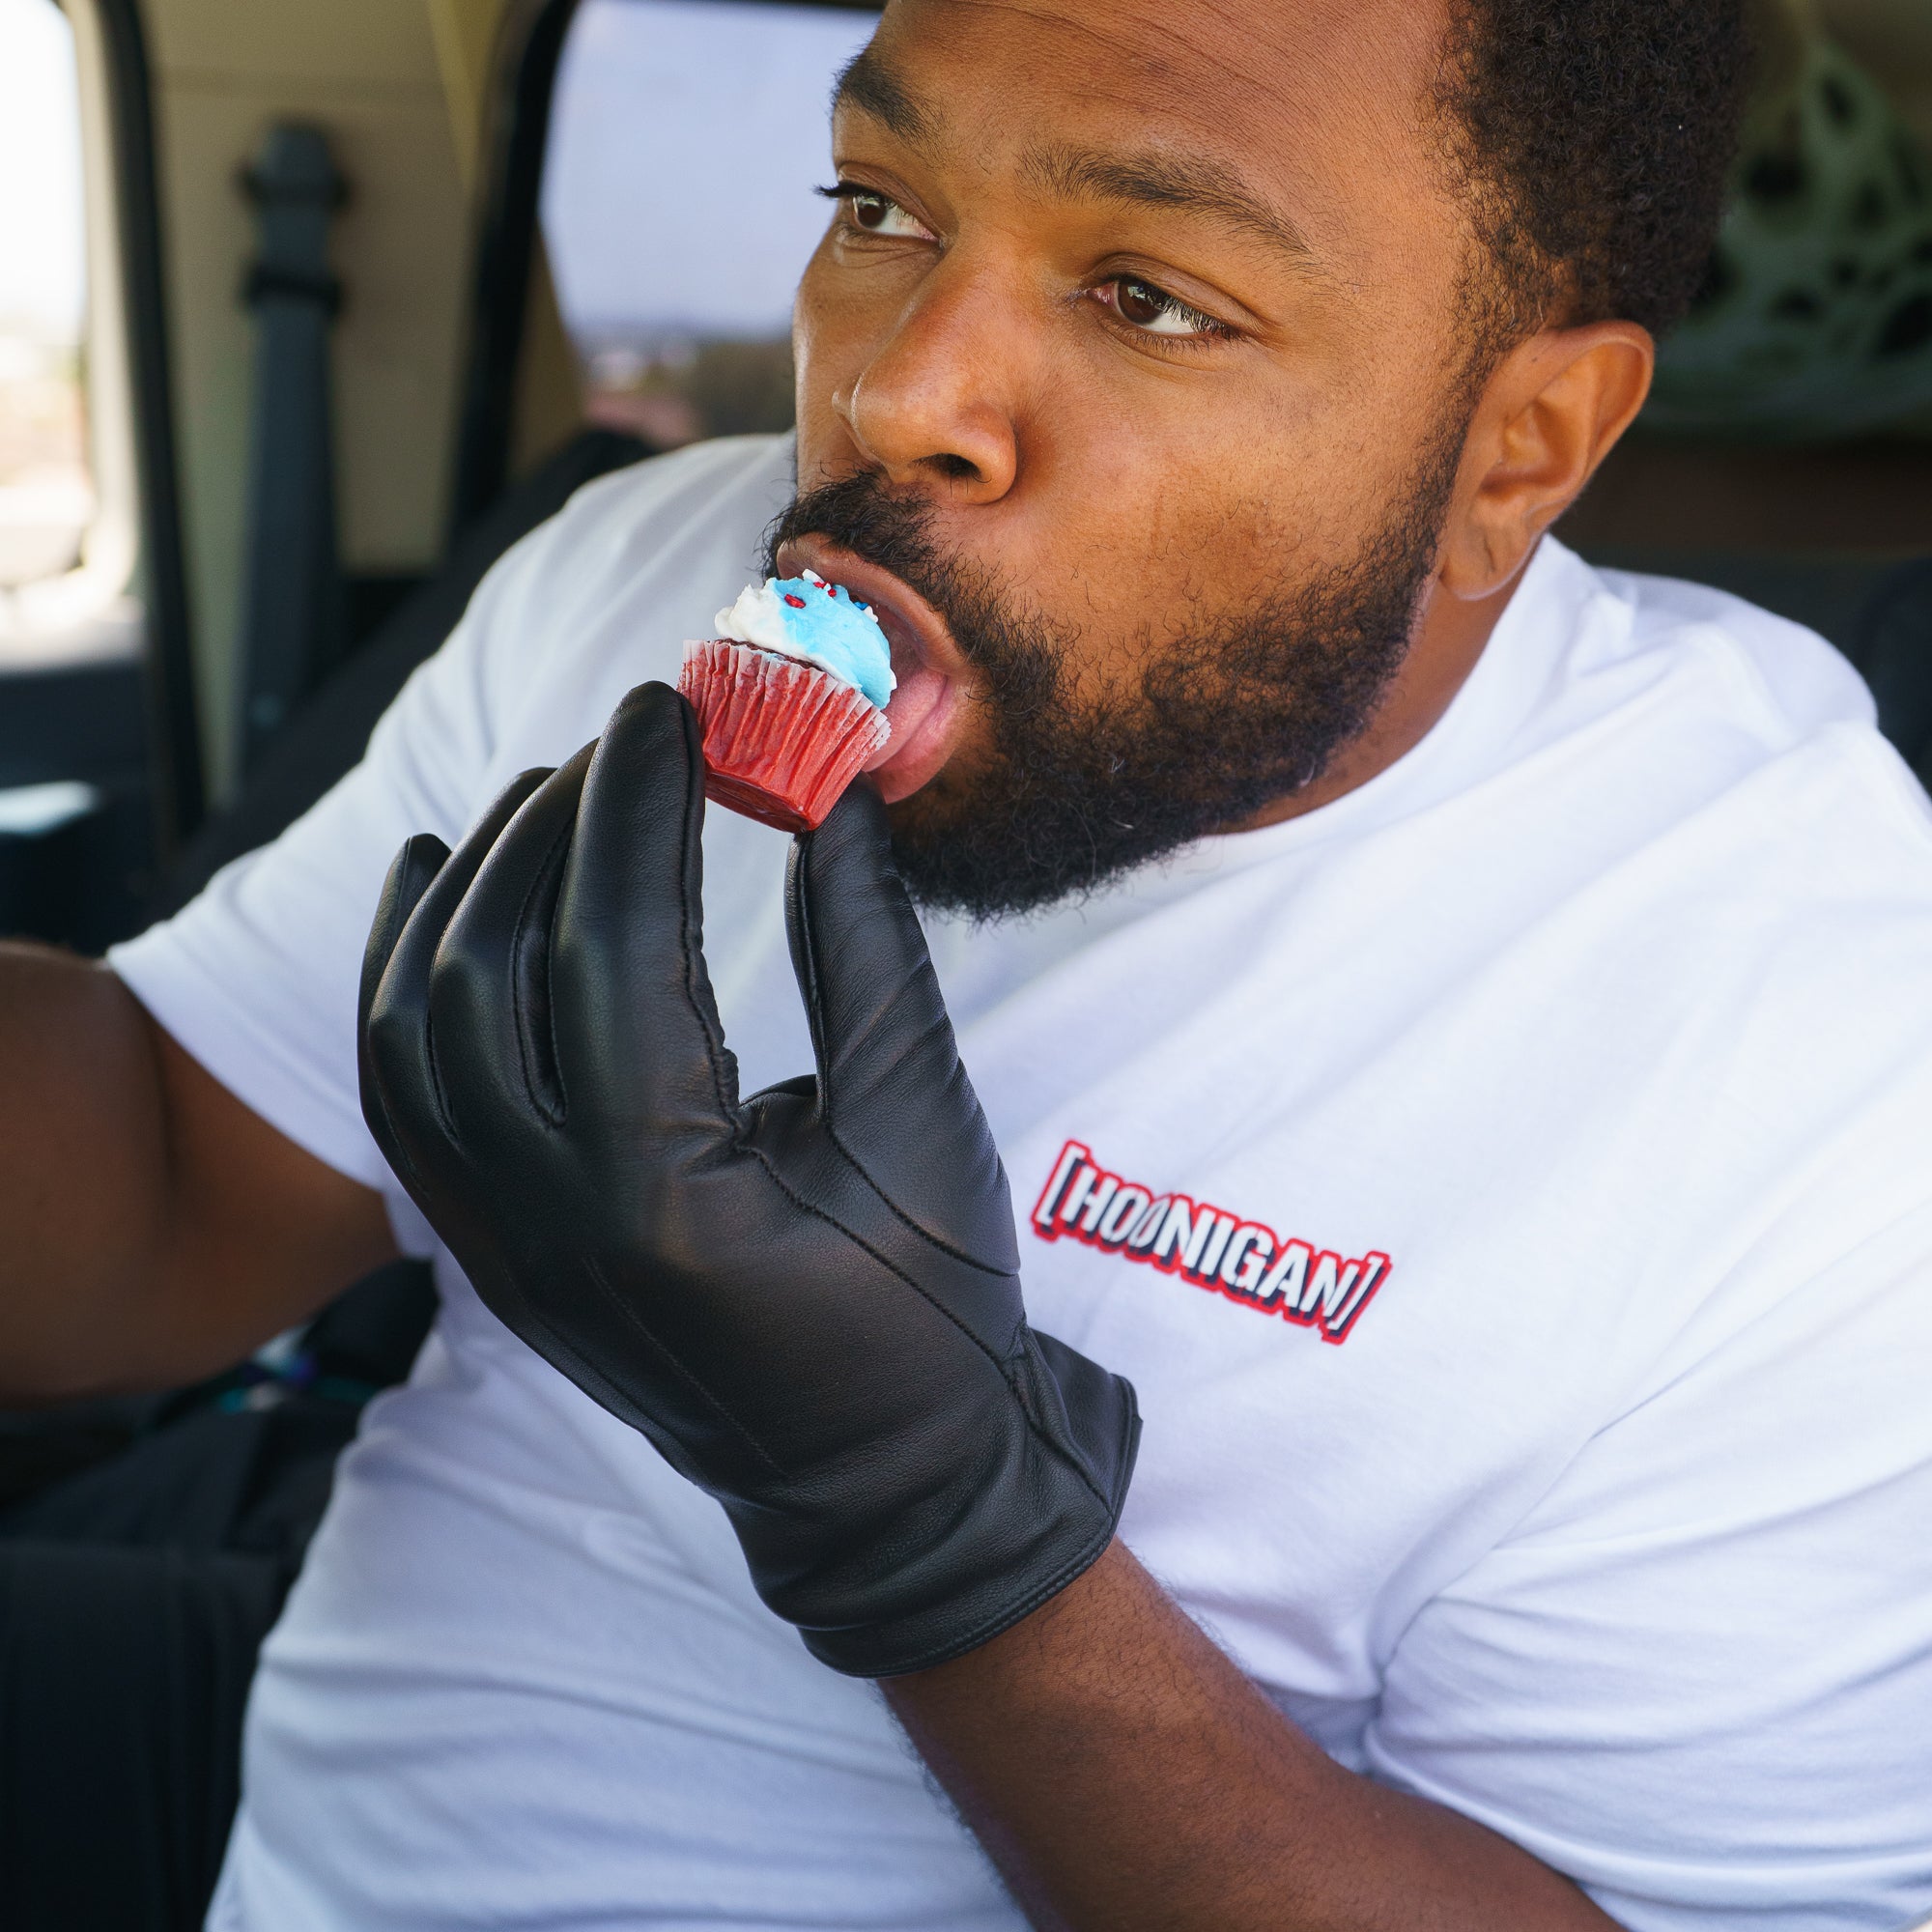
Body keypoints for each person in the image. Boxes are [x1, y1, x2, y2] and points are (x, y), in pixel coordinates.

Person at [3, 0, 1930, 1926]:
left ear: (1522, 448)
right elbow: (174, 1176)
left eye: (1151, 298)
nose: (891, 393)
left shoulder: (1815, 1057)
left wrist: (933, 1530)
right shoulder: (651, 578)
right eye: (880, 206)